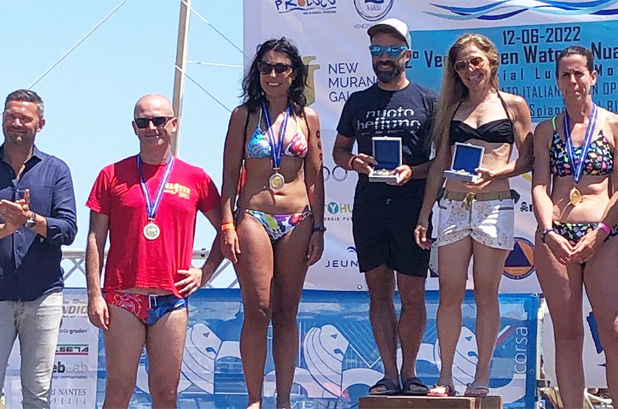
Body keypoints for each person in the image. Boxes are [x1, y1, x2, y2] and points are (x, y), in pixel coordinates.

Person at [86, 94, 224, 409]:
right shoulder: (111, 174)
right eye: (143, 122)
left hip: (171, 300)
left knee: (166, 394)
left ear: (173, 124)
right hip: (123, 297)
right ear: (134, 127)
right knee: (118, 391)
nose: (152, 128)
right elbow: (95, 238)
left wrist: (205, 272)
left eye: (159, 120)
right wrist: (94, 294)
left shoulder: (196, 177)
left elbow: (226, 229)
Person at [413, 33, 532, 397]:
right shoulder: (451, 108)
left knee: (486, 293)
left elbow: (528, 159)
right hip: (452, 205)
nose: (469, 70)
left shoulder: (513, 105)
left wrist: (495, 173)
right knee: (449, 292)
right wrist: (424, 215)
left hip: (494, 205)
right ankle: (445, 376)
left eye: (475, 61)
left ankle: (481, 376)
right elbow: (439, 165)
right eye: (461, 65)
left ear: (491, 62)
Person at [0, 89, 77, 409]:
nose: (17, 123)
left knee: (38, 396)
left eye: (25, 118)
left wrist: (30, 220)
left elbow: (68, 229)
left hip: (43, 295)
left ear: (41, 124)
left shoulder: (56, 170)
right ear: (2, 119)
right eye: (11, 116)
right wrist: (6, 229)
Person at [332, 19, 435, 396]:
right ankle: (389, 374)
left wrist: (414, 171)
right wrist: (352, 162)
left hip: (412, 207)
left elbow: (442, 160)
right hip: (370, 208)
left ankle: (411, 372)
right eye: (377, 50)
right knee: (379, 293)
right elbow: (339, 150)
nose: (384, 57)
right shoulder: (358, 101)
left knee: (413, 294)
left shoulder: (429, 100)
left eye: (392, 50)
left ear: (408, 55)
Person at [220, 38, 324, 409]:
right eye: (266, 68)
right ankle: (254, 400)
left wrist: (319, 227)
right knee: (258, 309)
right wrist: (227, 225)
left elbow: (315, 178)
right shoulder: (244, 115)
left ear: (294, 73)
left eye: (281, 68)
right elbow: (229, 175)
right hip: (254, 215)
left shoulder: (307, 117)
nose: (273, 75)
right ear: (257, 73)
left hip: (298, 218)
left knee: (286, 312)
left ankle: (283, 400)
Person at [531, 46, 618, 408]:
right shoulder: (546, 130)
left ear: (593, 76)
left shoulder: (616, 125)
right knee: (568, 336)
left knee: (616, 334)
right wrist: (548, 232)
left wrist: (600, 232)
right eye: (566, 74)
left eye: (579, 73)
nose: (573, 80)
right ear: (557, 81)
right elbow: (539, 187)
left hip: (603, 236)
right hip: (557, 238)